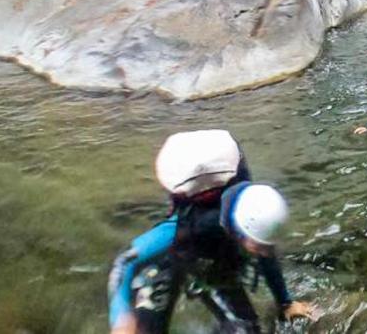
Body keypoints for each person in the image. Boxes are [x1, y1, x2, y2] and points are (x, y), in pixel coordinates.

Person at [108, 132, 314, 333]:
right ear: (239, 234)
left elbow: (266, 253)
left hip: (211, 263)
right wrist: (121, 317)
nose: (265, 251)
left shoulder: (253, 207)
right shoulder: (186, 229)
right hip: (169, 260)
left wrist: (285, 303)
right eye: (259, 245)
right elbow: (124, 261)